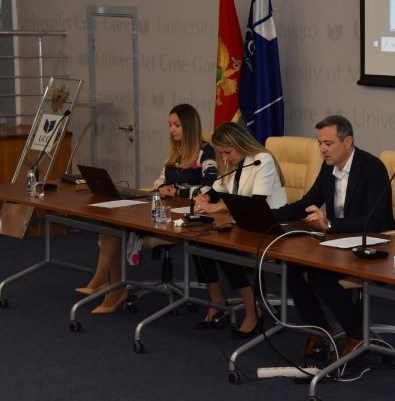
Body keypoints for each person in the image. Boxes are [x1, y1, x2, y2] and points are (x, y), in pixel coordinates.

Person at [273, 115, 395, 359]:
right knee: (290, 264)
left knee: (320, 274)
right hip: (339, 242)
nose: (322, 149)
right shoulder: (328, 167)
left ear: (347, 141)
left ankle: (357, 334)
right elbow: (308, 202)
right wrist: (269, 217)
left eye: (328, 143)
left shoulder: (372, 168)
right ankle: (319, 329)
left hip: (372, 244)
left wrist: (330, 224)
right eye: (320, 143)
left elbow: (375, 220)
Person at [75, 104, 218, 314]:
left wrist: (179, 192)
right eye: (169, 125)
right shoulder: (175, 152)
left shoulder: (205, 152)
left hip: (187, 216)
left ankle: (104, 282)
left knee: (118, 226)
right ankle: (112, 287)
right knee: (113, 222)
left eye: (177, 125)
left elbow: (211, 187)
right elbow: (159, 182)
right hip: (163, 210)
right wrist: (163, 189)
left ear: (189, 126)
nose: (172, 129)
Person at [191, 121, 287, 338]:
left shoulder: (262, 160)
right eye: (221, 153)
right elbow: (219, 189)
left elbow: (254, 203)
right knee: (198, 239)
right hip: (244, 224)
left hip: (268, 229)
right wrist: (206, 197)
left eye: (227, 152)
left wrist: (216, 207)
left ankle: (252, 310)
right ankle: (217, 300)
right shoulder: (234, 161)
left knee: (224, 247)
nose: (224, 158)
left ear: (240, 144)